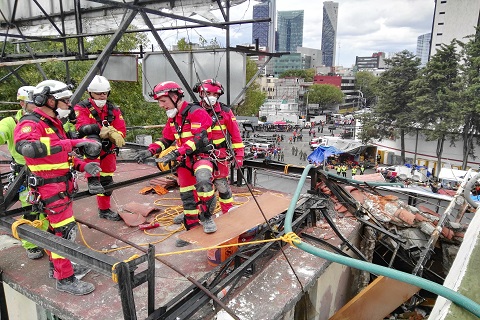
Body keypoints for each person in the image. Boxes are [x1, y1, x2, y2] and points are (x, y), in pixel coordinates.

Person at [14, 79, 102, 295]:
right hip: (49, 189)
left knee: (58, 231)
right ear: (49, 101)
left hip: (61, 186)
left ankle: (61, 268)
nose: (68, 106)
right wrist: (75, 142)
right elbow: (28, 148)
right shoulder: (31, 124)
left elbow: (62, 156)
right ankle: (65, 279)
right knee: (64, 232)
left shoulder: (53, 124)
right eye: (64, 101)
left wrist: (83, 165)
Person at [133, 81, 217, 246]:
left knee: (203, 181)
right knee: (187, 197)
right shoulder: (173, 119)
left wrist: (177, 152)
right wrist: (150, 150)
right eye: (159, 102)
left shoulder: (196, 112)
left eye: (163, 101)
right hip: (184, 162)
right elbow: (166, 139)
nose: (160, 105)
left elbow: (199, 140)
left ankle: (206, 217)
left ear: (174, 96)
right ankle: (191, 231)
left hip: (201, 157)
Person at [0, 86, 46, 259]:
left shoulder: (45, 120)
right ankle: (31, 243)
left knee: (49, 207)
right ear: (22, 104)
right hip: (24, 174)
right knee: (31, 208)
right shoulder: (11, 122)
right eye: (33, 103)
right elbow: (2, 132)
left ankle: (48, 237)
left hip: (45, 170)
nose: (37, 106)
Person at [74, 75, 126, 221]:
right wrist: (100, 130)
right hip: (91, 147)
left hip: (108, 148)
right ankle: (92, 180)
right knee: (93, 144)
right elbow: (81, 126)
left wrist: (114, 135)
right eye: (98, 93)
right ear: (90, 93)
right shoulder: (82, 107)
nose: (102, 96)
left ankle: (104, 210)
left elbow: (121, 129)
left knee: (107, 182)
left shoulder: (113, 109)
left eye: (104, 93)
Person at [189, 79, 244, 215]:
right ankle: (198, 212)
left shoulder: (225, 112)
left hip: (220, 155)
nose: (211, 97)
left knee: (222, 185)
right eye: (208, 93)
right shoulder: (193, 111)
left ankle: (228, 210)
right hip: (199, 155)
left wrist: (239, 155)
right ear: (201, 93)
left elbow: (236, 135)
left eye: (215, 94)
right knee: (200, 184)